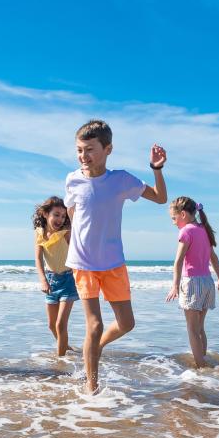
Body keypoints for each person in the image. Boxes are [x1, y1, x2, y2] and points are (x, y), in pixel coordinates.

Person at [64, 119, 167, 394]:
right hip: (83, 263)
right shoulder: (72, 179)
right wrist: (77, 243)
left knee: (126, 323)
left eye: (89, 149)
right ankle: (91, 386)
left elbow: (160, 198)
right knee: (94, 325)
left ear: (108, 149)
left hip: (113, 263)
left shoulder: (121, 180)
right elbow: (74, 213)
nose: (83, 156)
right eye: (79, 150)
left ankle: (93, 349)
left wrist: (156, 169)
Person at [165, 196, 219, 368]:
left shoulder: (186, 232)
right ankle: (203, 360)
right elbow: (213, 257)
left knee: (191, 329)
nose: (173, 222)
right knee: (200, 328)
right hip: (207, 282)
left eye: (174, 218)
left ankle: (201, 366)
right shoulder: (204, 229)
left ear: (183, 214)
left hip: (191, 283)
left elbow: (178, 261)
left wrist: (175, 285)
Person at [33, 196, 79, 357]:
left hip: (68, 281)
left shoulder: (66, 234)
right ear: (45, 214)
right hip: (51, 281)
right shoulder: (39, 233)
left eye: (63, 216)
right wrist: (43, 280)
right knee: (52, 325)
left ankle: (60, 362)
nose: (60, 219)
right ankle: (65, 346)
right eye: (56, 214)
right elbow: (38, 259)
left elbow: (80, 249)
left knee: (60, 324)